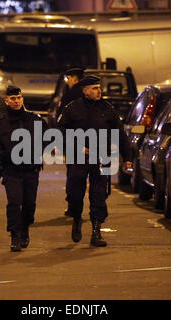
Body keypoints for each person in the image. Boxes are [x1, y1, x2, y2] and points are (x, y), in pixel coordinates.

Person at [57, 75, 132, 247]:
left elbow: (120, 134)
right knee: (75, 192)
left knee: (99, 195)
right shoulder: (72, 108)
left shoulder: (107, 109)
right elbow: (59, 132)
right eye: (94, 88)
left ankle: (96, 231)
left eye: (99, 88)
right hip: (79, 157)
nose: (99, 91)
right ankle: (76, 218)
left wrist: (127, 157)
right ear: (85, 91)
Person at [0, 86, 47, 252]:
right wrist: (3, 156)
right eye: (12, 99)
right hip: (11, 169)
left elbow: (48, 137)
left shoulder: (35, 120)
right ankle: (14, 234)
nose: (16, 101)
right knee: (14, 201)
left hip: (31, 169)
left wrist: (39, 151)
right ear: (6, 101)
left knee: (29, 203)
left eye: (19, 98)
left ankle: (25, 228)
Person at [60, 67, 84, 218]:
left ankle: (73, 205)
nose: (67, 82)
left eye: (68, 79)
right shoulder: (89, 94)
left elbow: (62, 119)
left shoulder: (70, 95)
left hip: (73, 141)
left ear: (74, 78)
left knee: (73, 174)